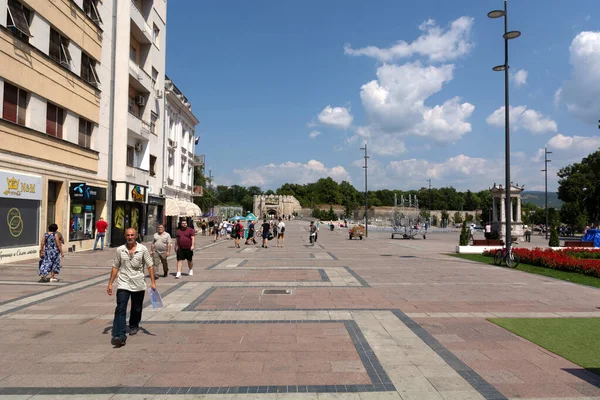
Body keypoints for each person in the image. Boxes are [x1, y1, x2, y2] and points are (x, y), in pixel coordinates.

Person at [107, 228, 156, 348]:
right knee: (120, 308)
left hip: (138, 283)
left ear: (136, 236)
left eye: (132, 235)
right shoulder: (120, 250)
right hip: (123, 283)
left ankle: (134, 324)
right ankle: (120, 335)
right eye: (128, 235)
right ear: (125, 236)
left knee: (136, 308)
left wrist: (153, 282)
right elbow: (115, 266)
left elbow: (150, 265)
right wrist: (110, 283)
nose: (130, 237)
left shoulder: (142, 249)